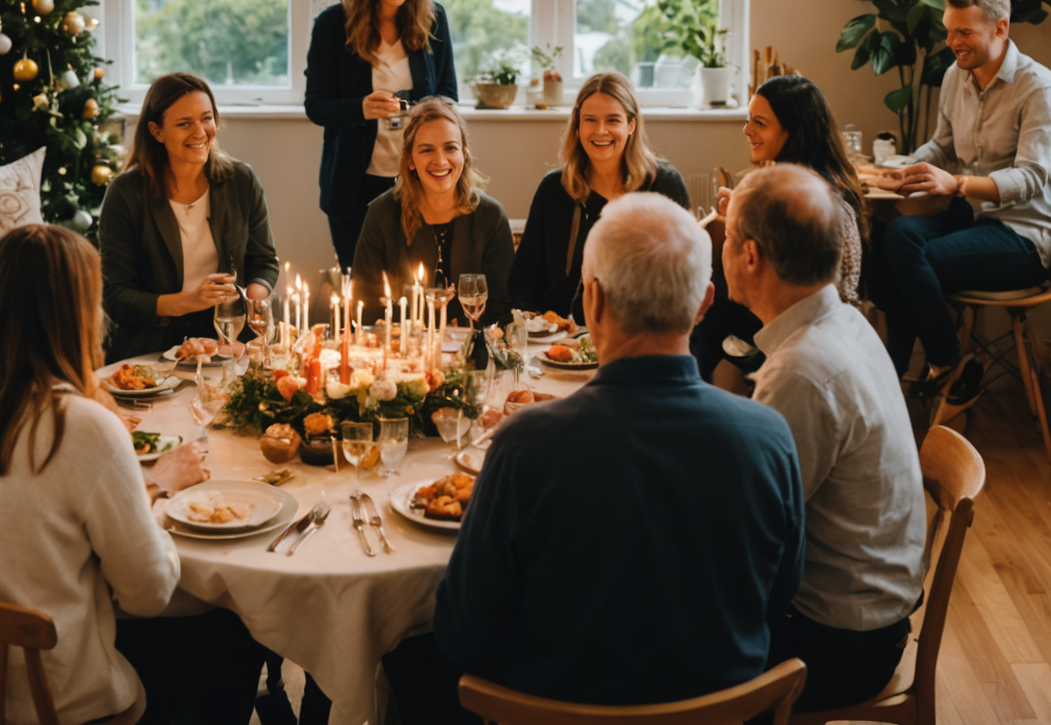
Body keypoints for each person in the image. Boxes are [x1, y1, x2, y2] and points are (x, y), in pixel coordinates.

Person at [382, 194, 804, 720]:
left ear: (592, 300)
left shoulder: (527, 443)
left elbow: (465, 631)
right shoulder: (768, 435)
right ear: (703, 303)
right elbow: (779, 593)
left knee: (405, 660)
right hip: (723, 709)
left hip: (553, 712)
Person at [0, 224, 266, 725]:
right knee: (230, 625)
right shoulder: (83, 425)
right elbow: (148, 592)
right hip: (34, 702)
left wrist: (143, 486)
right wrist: (154, 492)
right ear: (79, 314)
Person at [723, 165, 926, 711]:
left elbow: (746, 536)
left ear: (749, 256)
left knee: (650, 641)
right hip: (870, 611)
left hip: (839, 642)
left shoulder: (803, 372)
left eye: (725, 235)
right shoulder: (845, 323)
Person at [866, 0, 1051, 411]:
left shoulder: (1041, 89)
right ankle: (902, 376)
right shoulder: (954, 77)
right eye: (949, 30)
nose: (952, 42)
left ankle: (929, 366)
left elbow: (1032, 178)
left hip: (1025, 236)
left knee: (909, 259)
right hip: (974, 219)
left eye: (965, 32)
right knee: (888, 237)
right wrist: (903, 168)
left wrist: (957, 184)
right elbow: (942, 145)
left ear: (1001, 29)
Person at [691, 74, 869, 381]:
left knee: (706, 314)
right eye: (748, 120)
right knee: (708, 308)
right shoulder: (799, 184)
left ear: (796, 133)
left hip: (814, 327)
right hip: (807, 318)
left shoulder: (819, 201)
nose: (747, 130)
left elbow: (830, 290)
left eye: (760, 123)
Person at [305, 0, 459, 268]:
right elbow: (316, 104)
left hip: (421, 178)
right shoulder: (332, 25)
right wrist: (359, 108)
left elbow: (448, 93)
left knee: (421, 284)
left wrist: (429, 112)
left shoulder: (433, 19)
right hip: (354, 184)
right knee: (363, 289)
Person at [99, 72, 280, 361]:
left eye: (206, 118)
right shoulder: (126, 192)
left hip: (228, 337)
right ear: (156, 131)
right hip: (150, 345)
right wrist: (189, 301)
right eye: (184, 124)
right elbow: (116, 297)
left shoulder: (241, 180)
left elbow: (264, 261)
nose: (200, 132)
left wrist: (256, 296)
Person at [508, 71, 689, 320]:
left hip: (641, 335)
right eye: (590, 120)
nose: (600, 131)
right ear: (578, 125)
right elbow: (525, 276)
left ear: (631, 125)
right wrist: (531, 321)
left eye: (613, 120)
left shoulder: (663, 185)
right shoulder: (554, 188)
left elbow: (685, 276)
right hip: (561, 340)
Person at [352, 96, 514, 328]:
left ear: (464, 153)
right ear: (410, 160)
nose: (440, 161)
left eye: (450, 148)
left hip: (473, 354)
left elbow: (501, 308)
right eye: (427, 150)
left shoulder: (491, 216)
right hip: (403, 354)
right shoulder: (382, 214)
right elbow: (365, 309)